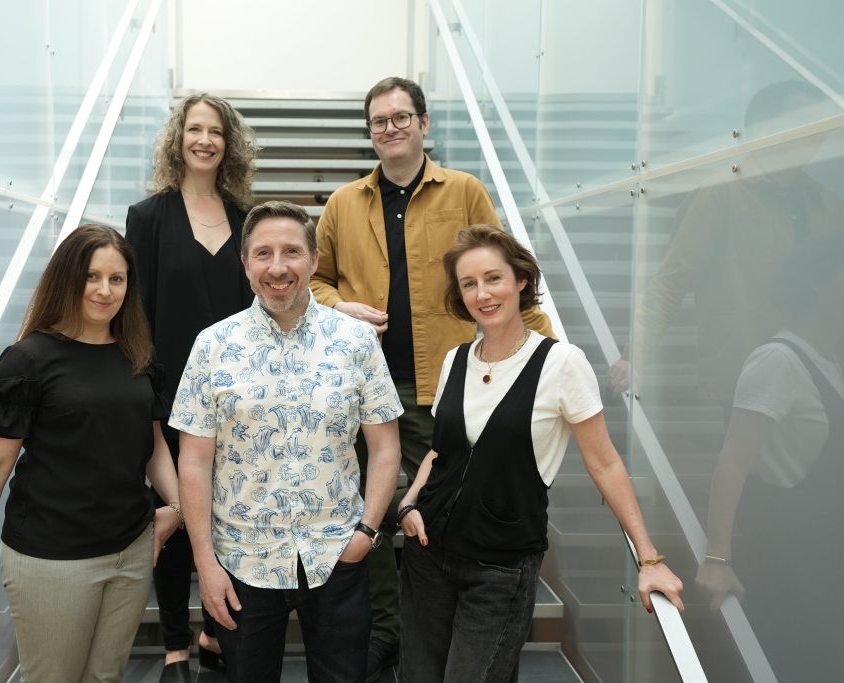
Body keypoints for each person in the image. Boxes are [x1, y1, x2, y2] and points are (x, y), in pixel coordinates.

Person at [310, 75, 554, 679]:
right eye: (378, 121)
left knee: (432, 522)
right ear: (369, 133)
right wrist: (342, 307)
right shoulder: (344, 204)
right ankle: (389, 631)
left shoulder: (464, 191)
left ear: (423, 123)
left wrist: (543, 342)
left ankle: (447, 636)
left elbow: (499, 269)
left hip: (441, 393)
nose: (389, 128)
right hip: (363, 393)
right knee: (370, 516)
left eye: (400, 117)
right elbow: (315, 283)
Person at [397, 225, 684, 683]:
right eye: (469, 283)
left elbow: (605, 462)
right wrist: (409, 502)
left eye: (493, 278)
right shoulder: (455, 359)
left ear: (521, 280)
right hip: (428, 559)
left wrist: (649, 559)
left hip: (501, 568)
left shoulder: (562, 364)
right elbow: (440, 452)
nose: (482, 293)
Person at [0, 225, 183, 683]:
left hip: (131, 550)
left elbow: (151, 445)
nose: (105, 290)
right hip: (54, 558)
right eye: (92, 276)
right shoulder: (28, 359)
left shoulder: (138, 354)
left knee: (105, 677)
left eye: (117, 278)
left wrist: (177, 507)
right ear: (66, 278)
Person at [171, 201, 403, 683]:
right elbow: (193, 464)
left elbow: (385, 447)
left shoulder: (356, 341)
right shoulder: (212, 345)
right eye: (263, 253)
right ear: (246, 263)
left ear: (315, 261)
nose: (278, 267)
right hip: (241, 562)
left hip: (337, 554)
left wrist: (366, 534)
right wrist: (205, 563)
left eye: (292, 252)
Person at [126, 91, 257, 682]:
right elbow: (138, 311)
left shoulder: (244, 215)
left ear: (229, 145)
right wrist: (148, 394)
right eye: (194, 129)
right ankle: (176, 644)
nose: (205, 140)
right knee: (175, 511)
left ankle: (215, 630)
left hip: (236, 394)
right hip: (170, 390)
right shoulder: (148, 217)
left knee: (225, 511)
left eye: (216, 132)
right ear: (178, 138)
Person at [608, 80, 842, 404]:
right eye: (802, 119)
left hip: (820, 371)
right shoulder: (719, 193)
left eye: (819, 122)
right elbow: (672, 279)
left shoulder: (827, 203)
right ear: (763, 127)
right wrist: (634, 356)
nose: (815, 132)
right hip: (747, 373)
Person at [696, 233, 844, 680]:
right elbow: (732, 464)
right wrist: (717, 559)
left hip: (827, 557)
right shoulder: (778, 360)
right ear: (821, 284)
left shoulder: (830, 362)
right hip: (794, 562)